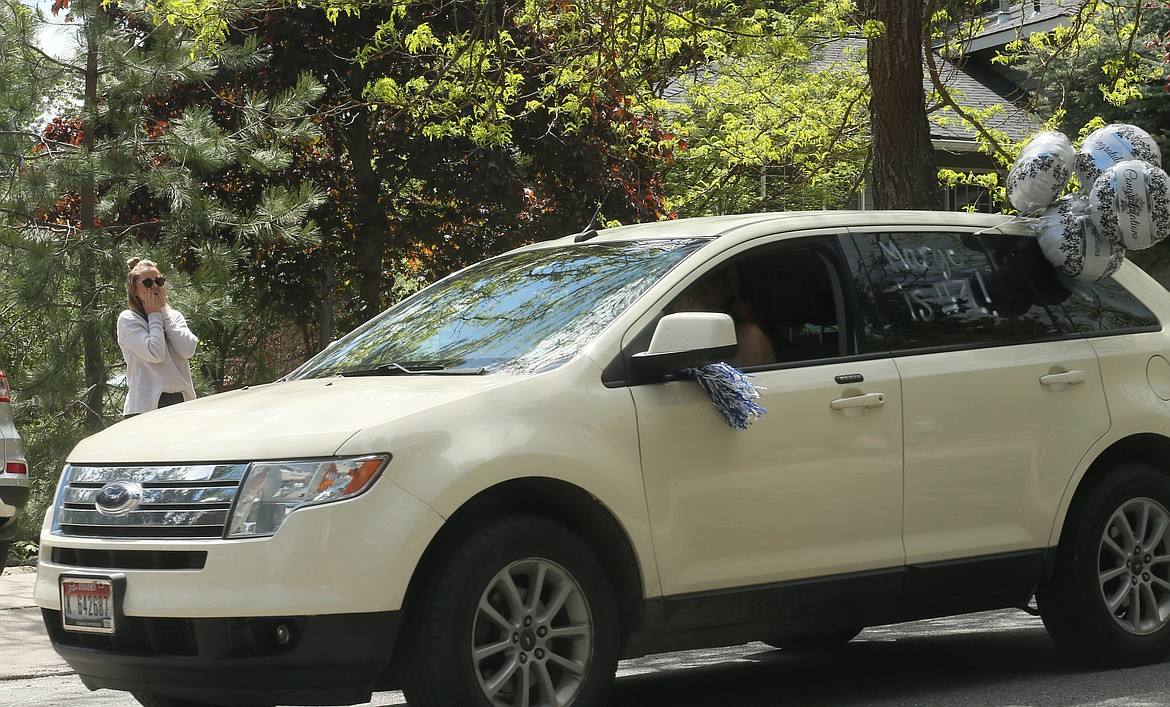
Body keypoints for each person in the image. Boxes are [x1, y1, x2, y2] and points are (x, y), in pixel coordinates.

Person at [117, 257, 199, 417]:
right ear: (134, 290)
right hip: (146, 408)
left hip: (181, 403)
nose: (155, 286)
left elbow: (187, 350)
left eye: (159, 281)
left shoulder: (174, 316)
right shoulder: (128, 319)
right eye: (147, 283)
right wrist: (154, 315)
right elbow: (156, 353)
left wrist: (164, 314)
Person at [669, 274, 777, 368]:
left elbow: (737, 387)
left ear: (688, 300)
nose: (671, 308)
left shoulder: (748, 335)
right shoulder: (702, 335)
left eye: (674, 299)